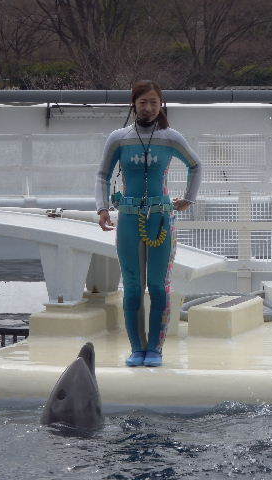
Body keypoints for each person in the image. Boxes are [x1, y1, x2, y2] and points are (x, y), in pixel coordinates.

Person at [95, 80, 202, 367]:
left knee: (157, 285)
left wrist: (188, 198)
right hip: (129, 219)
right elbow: (103, 174)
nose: (148, 107)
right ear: (133, 104)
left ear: (161, 104)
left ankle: (155, 348)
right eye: (143, 102)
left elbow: (195, 165)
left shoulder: (171, 137)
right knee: (132, 287)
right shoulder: (118, 137)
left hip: (161, 219)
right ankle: (136, 348)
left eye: (154, 102)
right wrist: (102, 207)